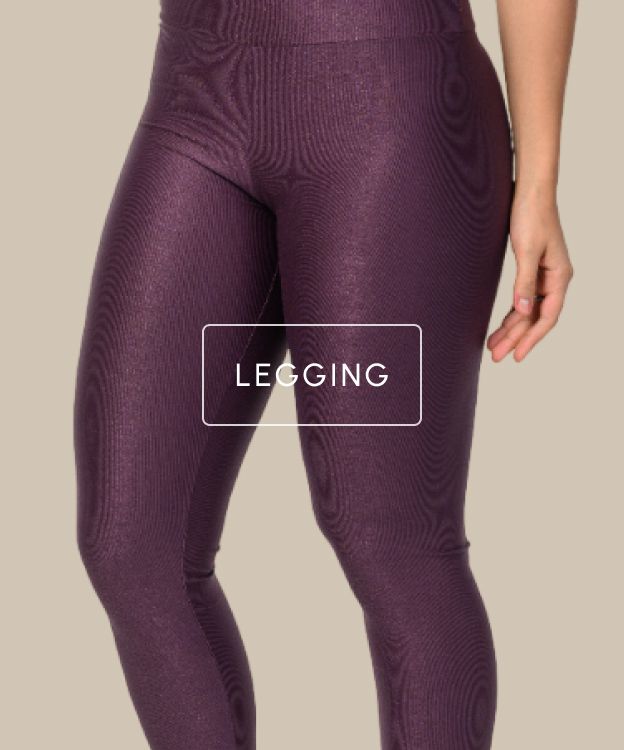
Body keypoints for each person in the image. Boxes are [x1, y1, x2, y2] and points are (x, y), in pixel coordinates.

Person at [74, 1, 576, 748]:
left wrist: (537, 184)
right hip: (196, 94)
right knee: (131, 545)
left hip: (391, 98)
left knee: (390, 537)